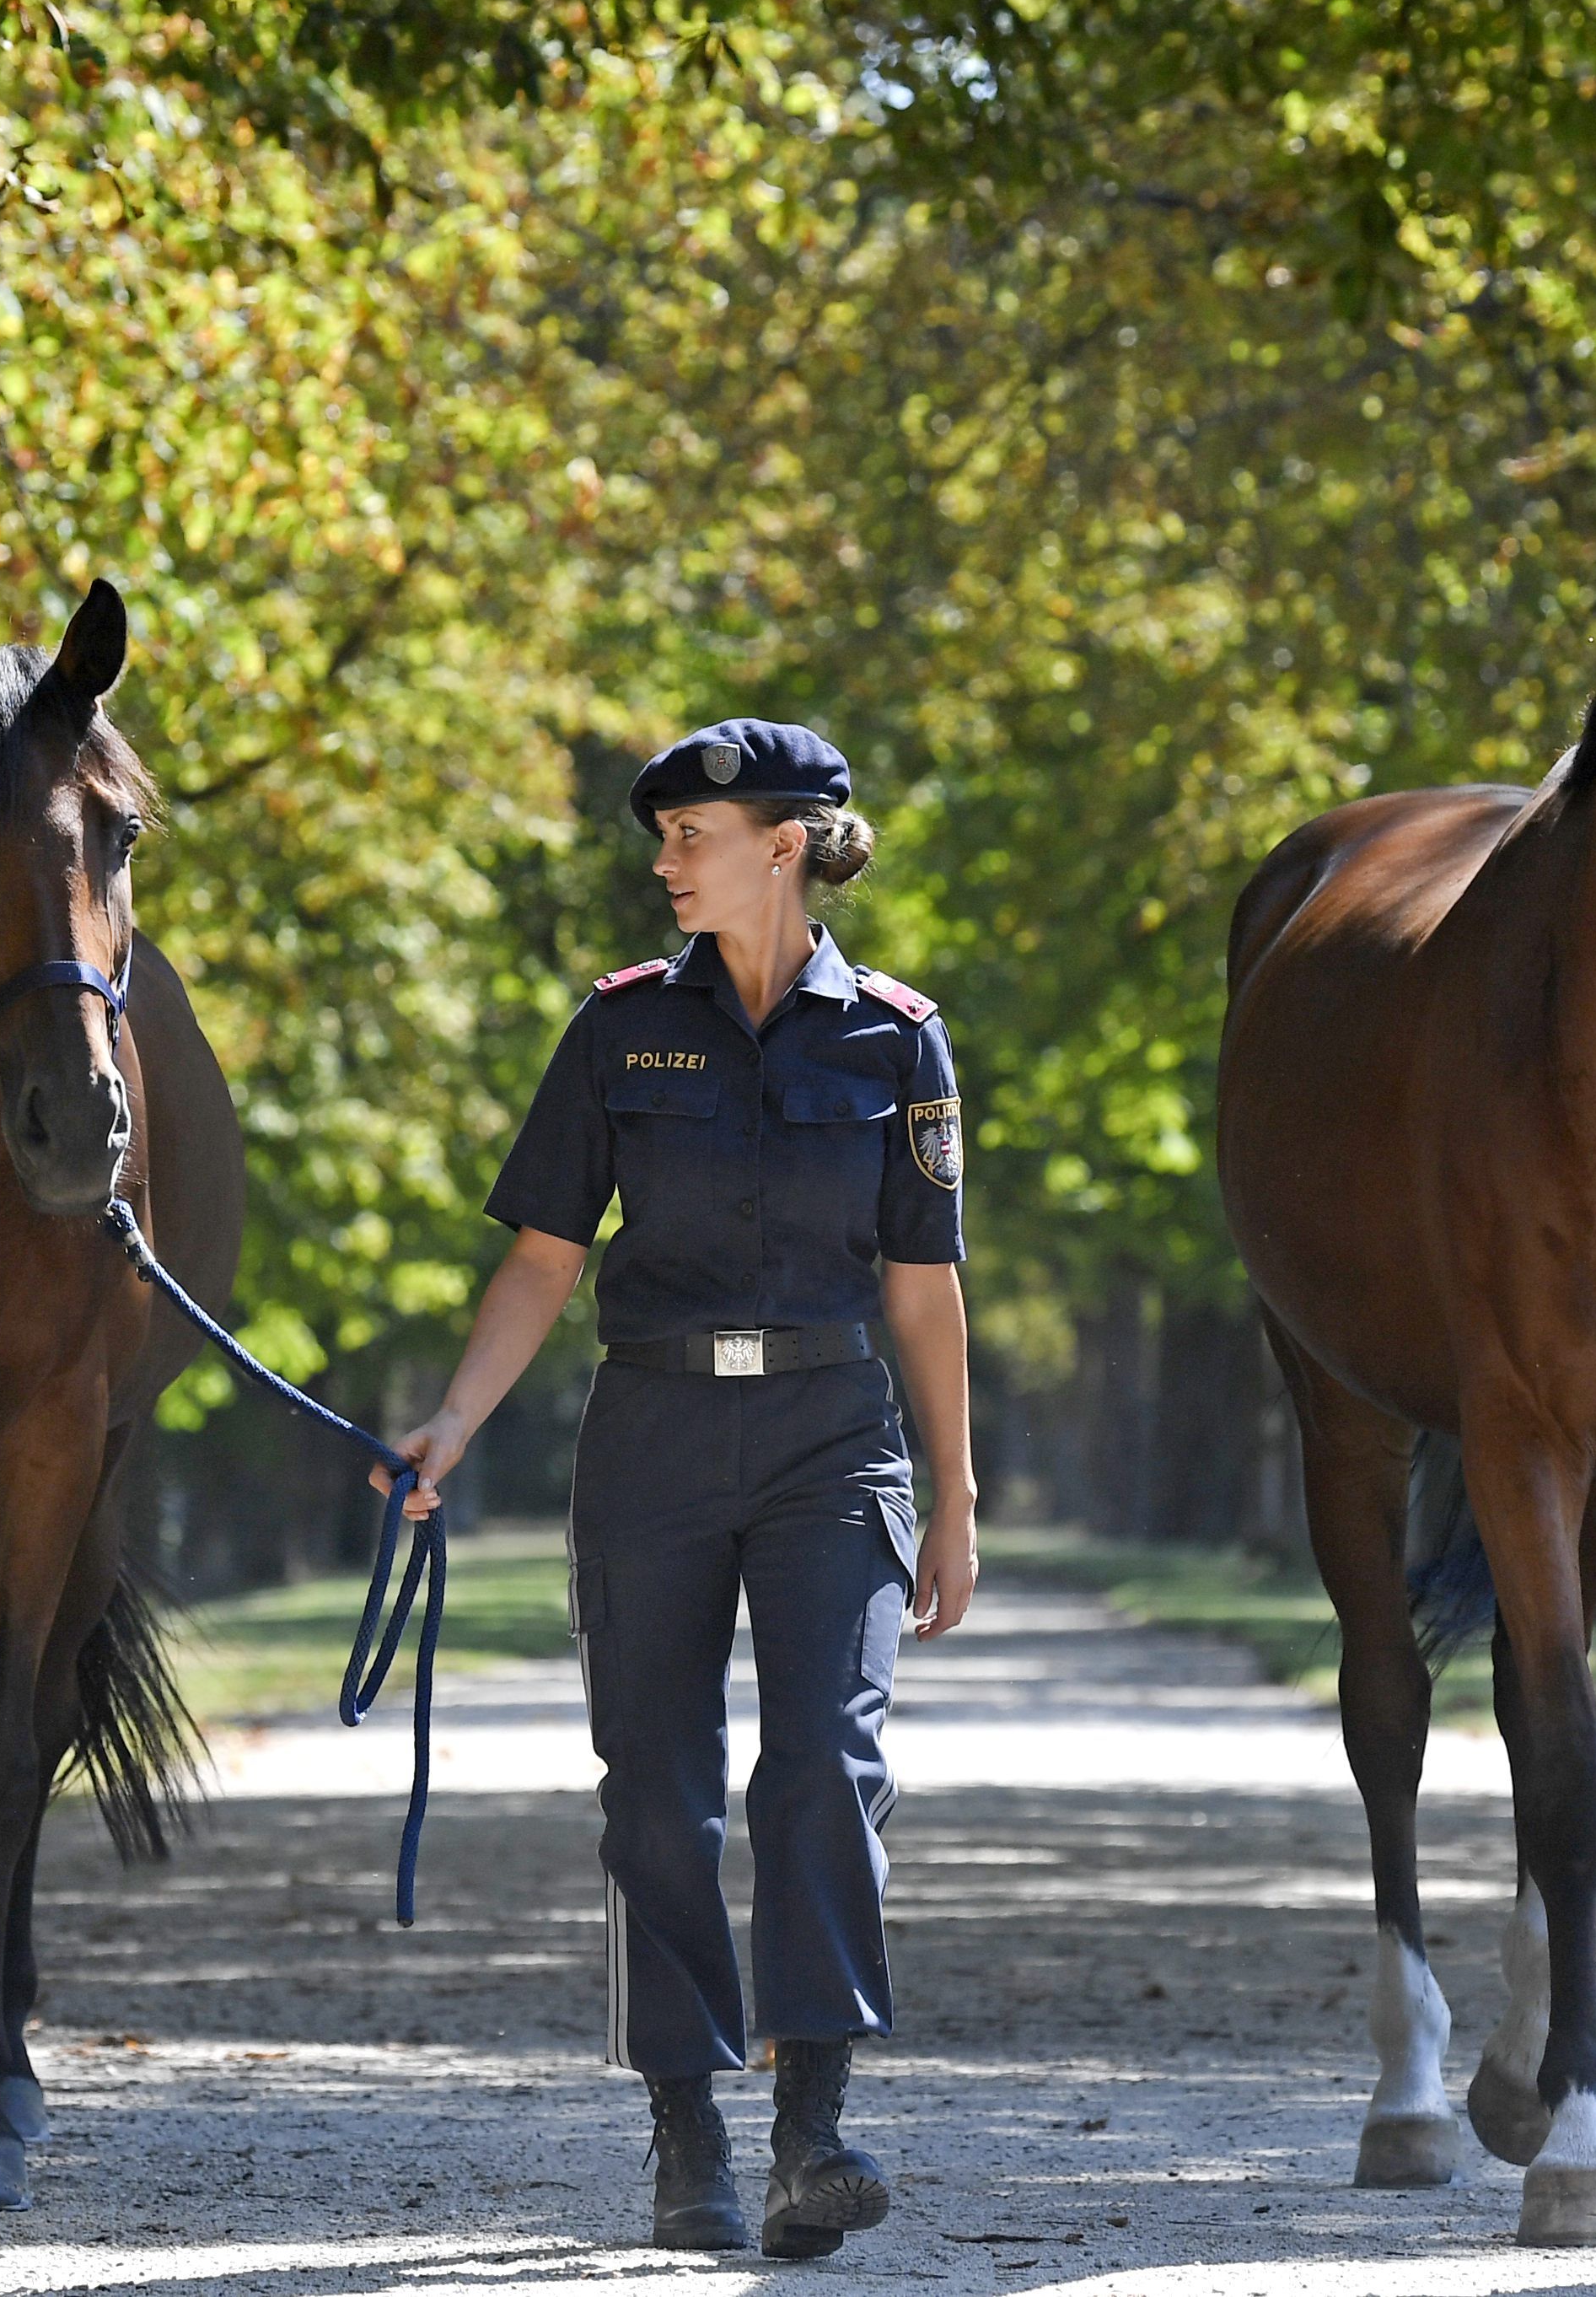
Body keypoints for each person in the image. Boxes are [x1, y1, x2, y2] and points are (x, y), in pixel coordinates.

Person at [373, 718, 979, 2259]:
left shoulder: (898, 1038)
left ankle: (814, 2130)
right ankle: (688, 2124)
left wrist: (957, 1498)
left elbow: (923, 1287)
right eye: (661, 837)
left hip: (834, 1437)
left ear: (784, 842)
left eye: (689, 835)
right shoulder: (620, 1028)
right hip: (646, 1434)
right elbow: (543, 1255)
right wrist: (450, 1423)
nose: (663, 860)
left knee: (823, 1772)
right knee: (654, 1788)